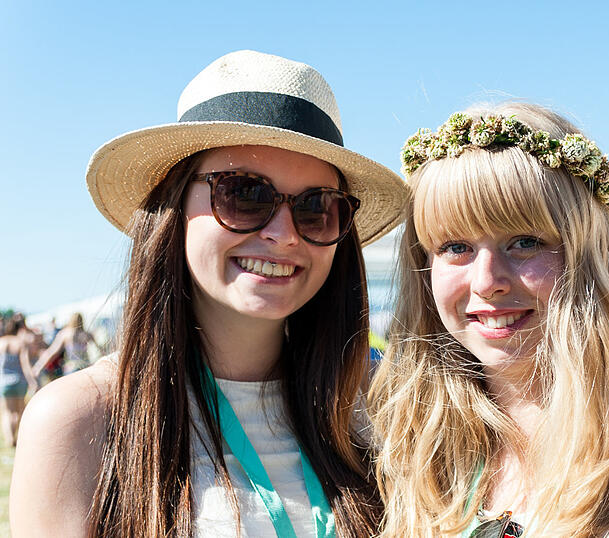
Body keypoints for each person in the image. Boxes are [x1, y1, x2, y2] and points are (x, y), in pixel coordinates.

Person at [11, 50, 407, 537]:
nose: (284, 234)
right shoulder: (81, 418)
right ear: (173, 207)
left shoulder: (379, 404)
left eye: (315, 207)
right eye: (245, 193)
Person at [368, 103, 609, 537]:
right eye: (456, 246)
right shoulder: (419, 454)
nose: (486, 281)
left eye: (524, 242)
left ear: (589, 256)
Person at [0, 313, 39, 447]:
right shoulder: (21, 343)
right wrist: (32, 381)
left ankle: (9, 439)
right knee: (19, 412)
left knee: (7, 412)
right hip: (19, 381)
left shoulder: (2, 341)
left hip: (4, 382)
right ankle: (16, 439)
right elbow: (25, 364)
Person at [33, 312, 104, 380]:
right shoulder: (86, 334)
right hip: (85, 368)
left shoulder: (65, 334)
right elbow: (100, 350)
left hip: (72, 367)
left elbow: (52, 352)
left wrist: (38, 366)